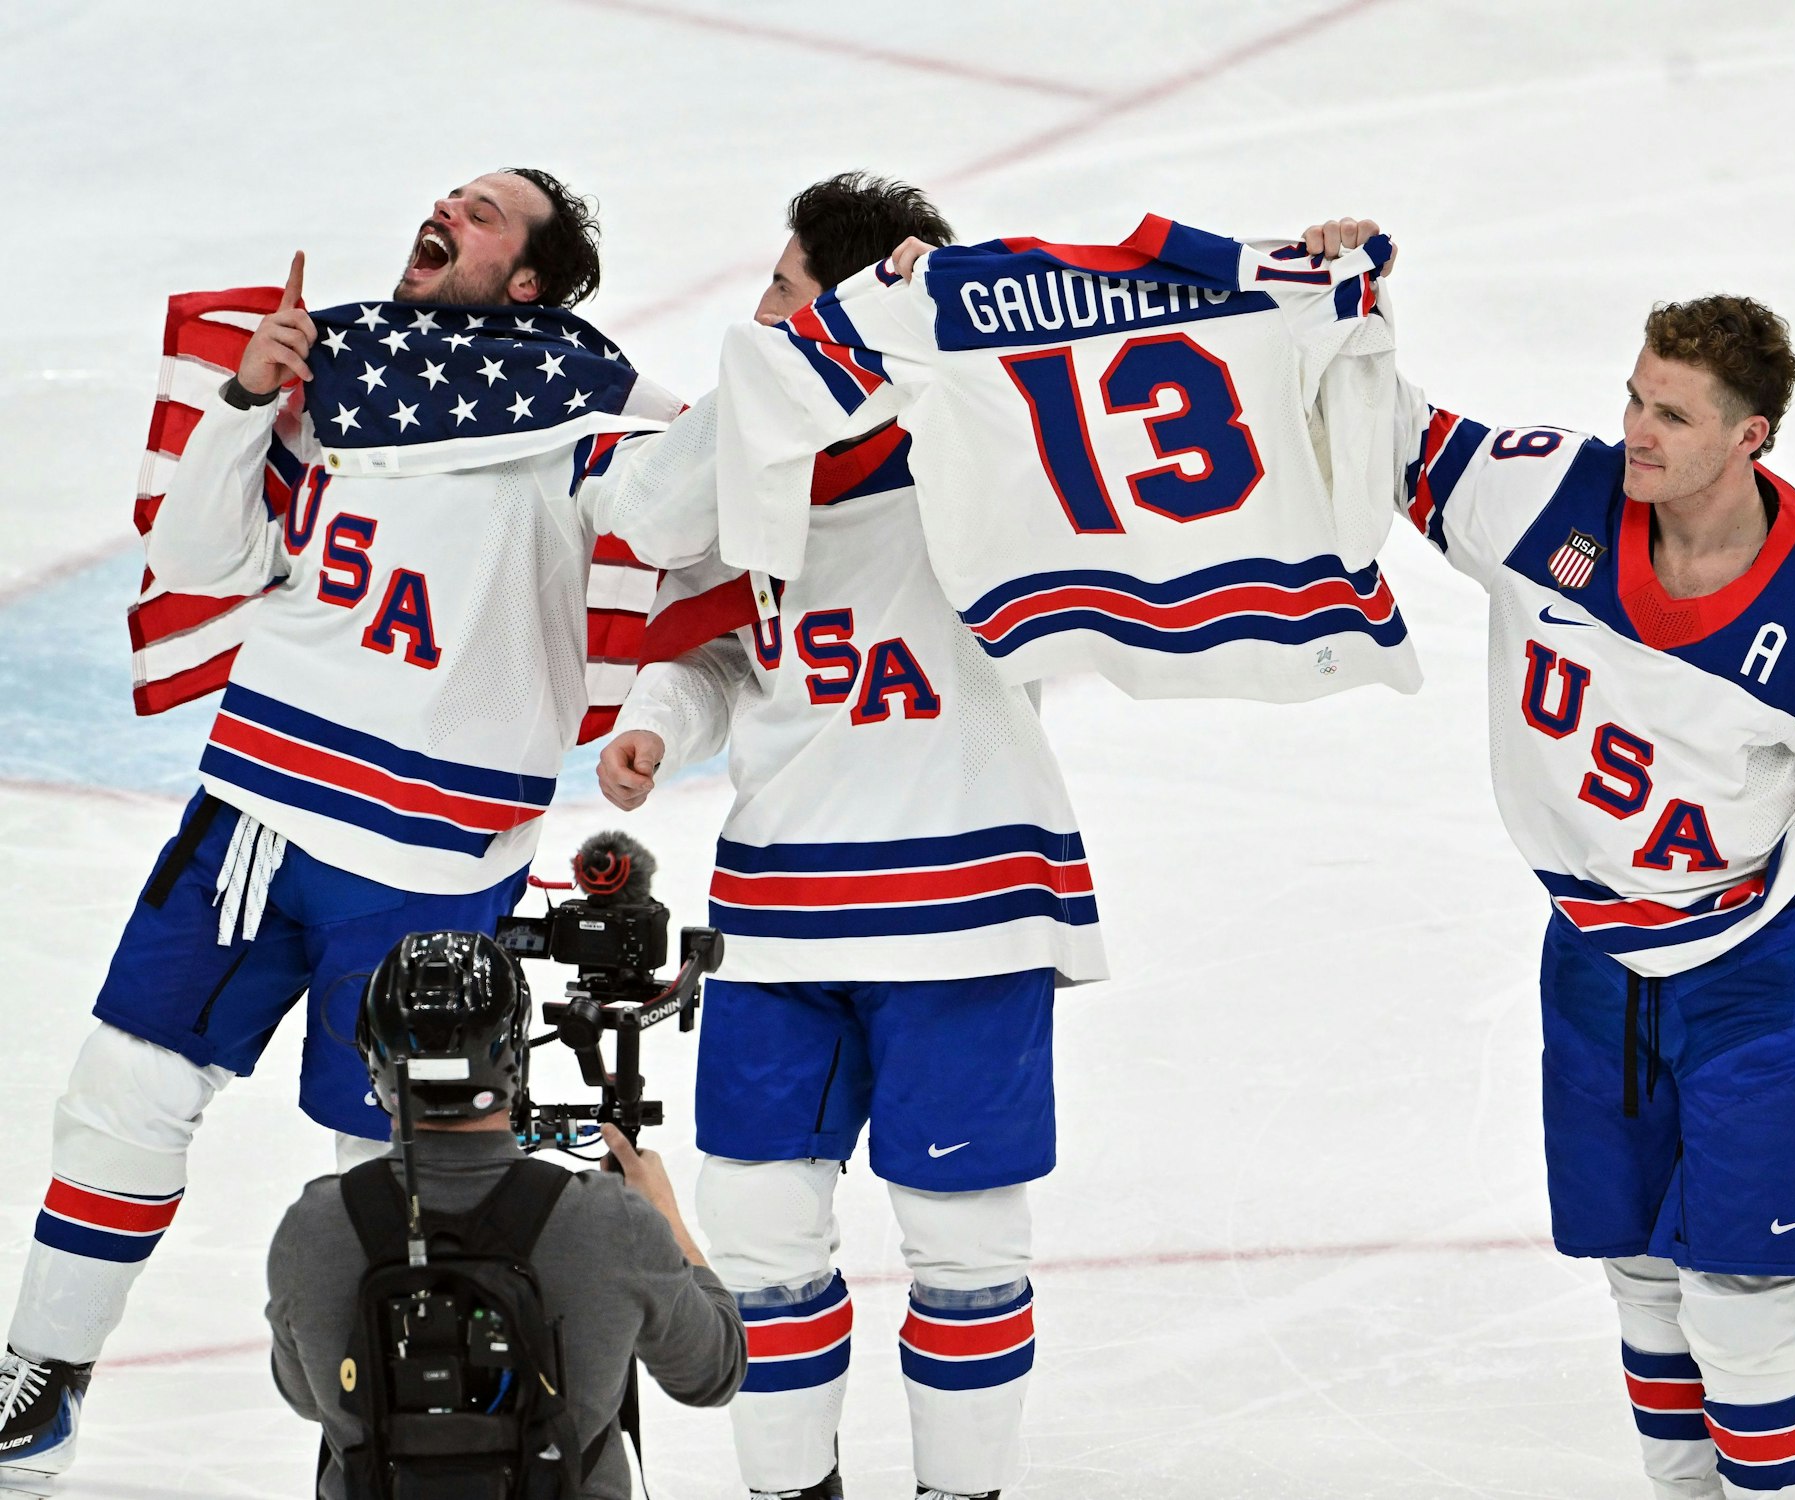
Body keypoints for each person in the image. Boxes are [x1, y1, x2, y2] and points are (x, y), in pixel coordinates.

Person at [0, 168, 719, 1491]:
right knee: (120, 1102)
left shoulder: (581, 403)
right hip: (261, 813)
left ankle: (424, 1450)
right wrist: (241, 399)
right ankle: (39, 1379)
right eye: (454, 192)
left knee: (400, 1170)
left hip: (430, 860)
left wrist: (767, 389)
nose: (449, 205)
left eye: (489, 208)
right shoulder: (339, 370)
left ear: (525, 282)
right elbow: (205, 562)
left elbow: (676, 516)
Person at [1343, 205, 1795, 1500]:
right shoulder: (1547, 497)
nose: (1636, 431)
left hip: (1768, 965)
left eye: (1674, 416)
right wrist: (1347, 308)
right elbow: (1386, 439)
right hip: (1592, 951)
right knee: (1638, 1271)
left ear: (1751, 436)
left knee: (1745, 1294)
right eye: (1633, 399)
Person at [596, 173, 1108, 1500]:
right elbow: (657, 541)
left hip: (966, 896)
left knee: (966, 1247)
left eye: (782, 291)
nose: (759, 316)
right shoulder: (751, 456)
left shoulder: (981, 438)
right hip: (780, 911)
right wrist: (659, 712)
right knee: (761, 1239)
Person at [266, 929, 745, 1500]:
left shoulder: (316, 1226)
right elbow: (713, 1372)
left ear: (377, 1064)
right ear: (512, 1056)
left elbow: (304, 1396)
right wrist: (662, 1217)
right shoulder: (610, 1222)